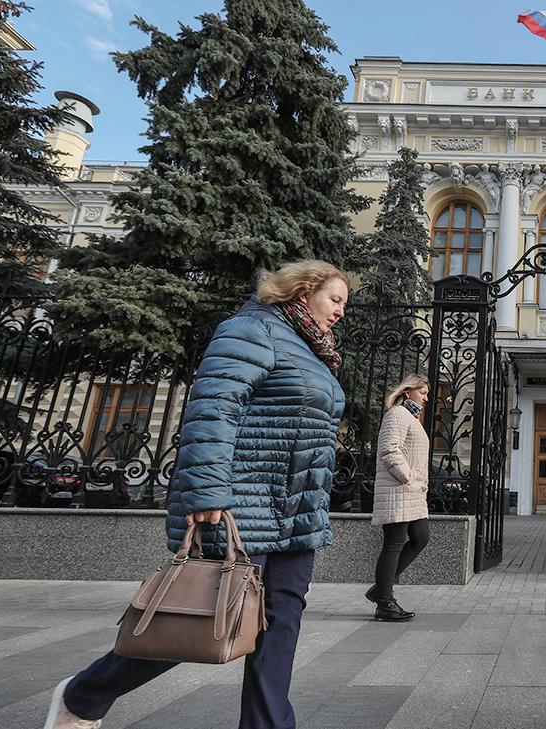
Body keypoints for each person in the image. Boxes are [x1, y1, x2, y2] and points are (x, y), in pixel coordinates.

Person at [43, 260, 355, 729]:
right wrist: (207, 492)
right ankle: (82, 695)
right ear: (302, 291)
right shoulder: (251, 330)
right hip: (243, 506)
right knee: (196, 623)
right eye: (336, 299)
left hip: (297, 513)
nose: (341, 312)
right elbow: (213, 410)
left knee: (280, 629)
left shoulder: (313, 350)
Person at [364, 373, 432, 622]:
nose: (426, 398)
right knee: (393, 544)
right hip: (398, 490)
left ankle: (380, 589)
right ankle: (385, 602)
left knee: (420, 537)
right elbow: (389, 450)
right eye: (422, 392)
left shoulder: (410, 416)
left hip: (410, 493)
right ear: (408, 391)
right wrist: (409, 477)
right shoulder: (397, 414)